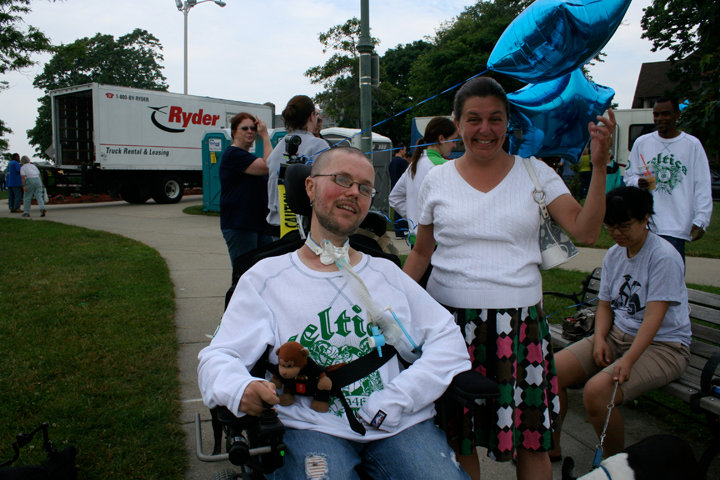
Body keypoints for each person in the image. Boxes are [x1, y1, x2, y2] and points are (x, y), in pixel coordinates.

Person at [198, 146, 472, 480]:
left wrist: (398, 399)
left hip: (399, 424)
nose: (353, 192)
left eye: (365, 187)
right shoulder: (264, 278)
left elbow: (447, 340)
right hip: (309, 426)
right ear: (310, 188)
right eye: (341, 179)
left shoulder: (387, 274)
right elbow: (219, 356)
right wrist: (240, 388)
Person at [402, 76, 615, 480]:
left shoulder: (535, 173)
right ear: (457, 122)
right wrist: (393, 303)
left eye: (495, 119)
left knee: (529, 439)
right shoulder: (436, 179)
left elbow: (585, 232)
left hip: (520, 329)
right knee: (455, 439)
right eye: (474, 119)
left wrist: (600, 167)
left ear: (509, 122)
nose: (485, 130)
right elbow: (421, 251)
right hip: (450, 326)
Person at [551, 186, 691, 460]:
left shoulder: (663, 257)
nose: (617, 234)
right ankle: (551, 446)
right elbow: (604, 305)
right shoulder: (615, 254)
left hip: (664, 346)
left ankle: (614, 463)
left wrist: (627, 361)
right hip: (617, 335)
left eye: (625, 226)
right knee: (550, 373)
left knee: (597, 393)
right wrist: (600, 338)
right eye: (611, 227)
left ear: (645, 218)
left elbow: (653, 318)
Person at [623, 96, 713, 261]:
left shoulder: (692, 145)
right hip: (645, 225)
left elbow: (702, 184)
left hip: (676, 227)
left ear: (677, 115)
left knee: (671, 279)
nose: (660, 119)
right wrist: (638, 182)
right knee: (641, 275)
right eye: (656, 114)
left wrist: (702, 219)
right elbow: (629, 177)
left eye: (665, 114)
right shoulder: (642, 143)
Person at [220, 112, 273, 281]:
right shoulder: (233, 155)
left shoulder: (248, 157)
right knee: (244, 275)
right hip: (240, 224)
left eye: (253, 128)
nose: (250, 131)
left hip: (258, 223)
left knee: (262, 273)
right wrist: (264, 135)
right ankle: (236, 306)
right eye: (245, 128)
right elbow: (268, 166)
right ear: (234, 132)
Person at [266, 95, 330, 235]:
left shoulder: (281, 144)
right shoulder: (319, 145)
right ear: (312, 116)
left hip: (275, 223)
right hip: (300, 226)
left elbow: (269, 165)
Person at [388, 117, 457, 245]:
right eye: (453, 140)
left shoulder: (415, 163)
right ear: (441, 139)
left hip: (417, 240)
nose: (455, 145)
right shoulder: (442, 166)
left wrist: (413, 217)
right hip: (437, 241)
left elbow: (394, 197)